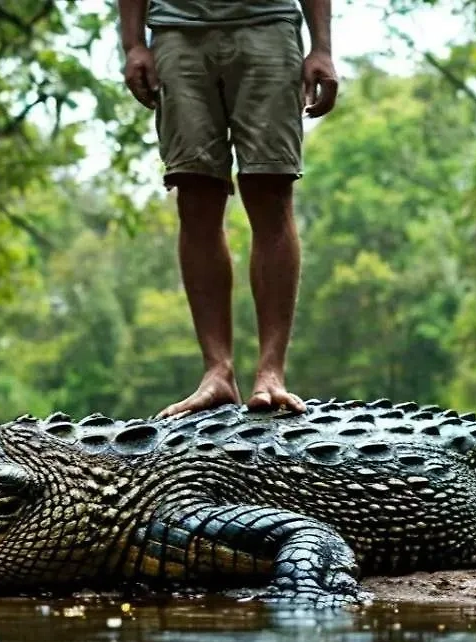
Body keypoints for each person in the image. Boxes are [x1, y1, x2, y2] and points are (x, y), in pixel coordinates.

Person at [117, 0, 338, 418]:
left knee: (271, 194)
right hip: (177, 31)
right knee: (196, 197)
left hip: (268, 27)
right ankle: (216, 372)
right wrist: (132, 44)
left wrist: (321, 46)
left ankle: (271, 373)